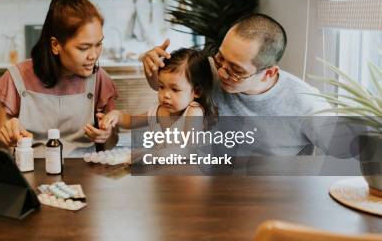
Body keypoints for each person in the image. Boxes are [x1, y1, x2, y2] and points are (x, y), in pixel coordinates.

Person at [141, 14, 330, 155]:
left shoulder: (306, 104)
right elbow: (171, 88)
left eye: (236, 70)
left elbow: (350, 151)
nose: (221, 72)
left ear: (268, 73)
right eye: (220, 58)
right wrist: (152, 70)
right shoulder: (209, 70)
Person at [0, 0, 118, 157]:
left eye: (98, 44)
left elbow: (110, 145)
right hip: (30, 172)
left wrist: (106, 135)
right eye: (83, 48)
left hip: (85, 174)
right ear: (56, 45)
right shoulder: (16, 78)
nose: (94, 55)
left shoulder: (100, 80)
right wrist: (7, 136)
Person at [100, 48, 217, 134]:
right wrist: (116, 116)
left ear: (196, 91)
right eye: (161, 86)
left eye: (175, 89)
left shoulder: (194, 112)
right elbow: (130, 121)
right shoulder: (159, 111)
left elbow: (185, 150)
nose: (165, 95)